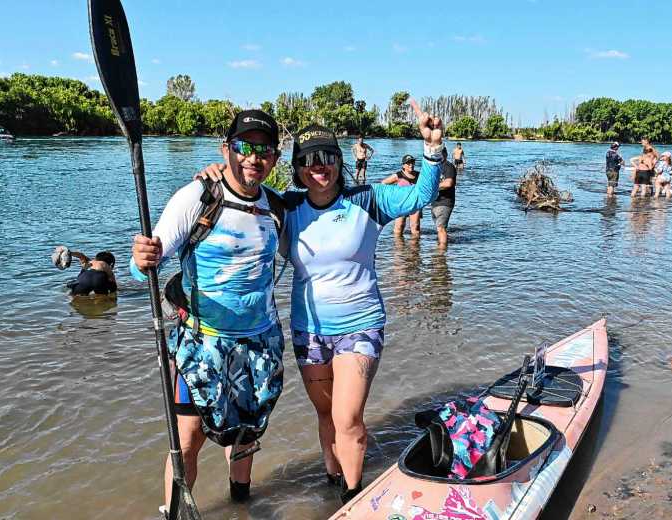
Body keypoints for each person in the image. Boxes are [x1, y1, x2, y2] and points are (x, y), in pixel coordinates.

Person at [194, 100, 444, 504]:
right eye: (308, 159)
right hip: (308, 330)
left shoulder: (368, 199)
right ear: (296, 168)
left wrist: (432, 149)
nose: (319, 166)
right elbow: (242, 193)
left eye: (327, 157)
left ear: (339, 161)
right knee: (326, 415)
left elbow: (422, 196)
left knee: (348, 418)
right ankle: (332, 484)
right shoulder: (287, 207)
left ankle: (352, 496)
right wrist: (216, 174)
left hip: (360, 326)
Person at [130, 110, 287, 510]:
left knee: (247, 435)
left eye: (264, 150)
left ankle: (241, 506)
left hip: (259, 342)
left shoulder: (276, 206)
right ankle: (174, 514)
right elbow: (144, 266)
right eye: (243, 146)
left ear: (275, 157)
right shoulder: (197, 197)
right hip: (201, 343)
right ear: (225, 149)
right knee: (186, 441)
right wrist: (140, 260)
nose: (253, 157)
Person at [381, 154, 422, 236]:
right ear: (403, 165)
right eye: (408, 163)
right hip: (401, 204)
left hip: (415, 204)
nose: (411, 165)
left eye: (412, 162)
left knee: (415, 228)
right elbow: (383, 183)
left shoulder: (419, 175)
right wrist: (392, 196)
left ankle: (415, 244)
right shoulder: (398, 176)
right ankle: (398, 244)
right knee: (399, 227)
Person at [432, 147, 457, 247]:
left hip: (445, 201)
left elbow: (448, 183)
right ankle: (442, 247)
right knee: (440, 228)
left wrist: (433, 187)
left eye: (441, 153)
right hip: (435, 202)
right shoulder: (435, 167)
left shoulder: (448, 166)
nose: (439, 156)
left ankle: (441, 251)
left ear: (445, 154)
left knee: (441, 228)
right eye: (437, 154)